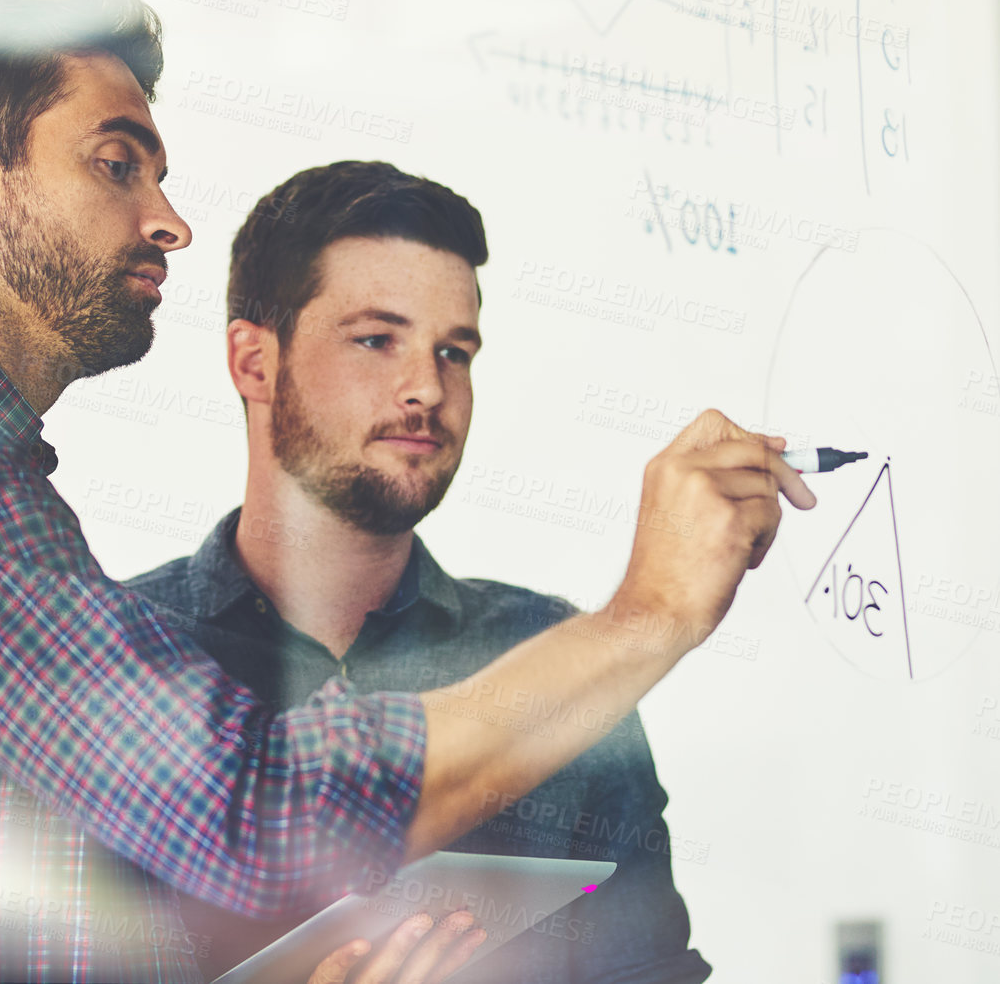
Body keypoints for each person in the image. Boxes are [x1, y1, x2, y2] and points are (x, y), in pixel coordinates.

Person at [0, 0, 814, 983]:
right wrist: (650, 614)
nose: (168, 220)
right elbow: (252, 808)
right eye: (115, 162)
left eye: (454, 350)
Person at [126, 161, 715, 982]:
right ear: (253, 363)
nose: (426, 388)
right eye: (376, 340)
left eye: (455, 351)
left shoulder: (554, 654)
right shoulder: (123, 656)